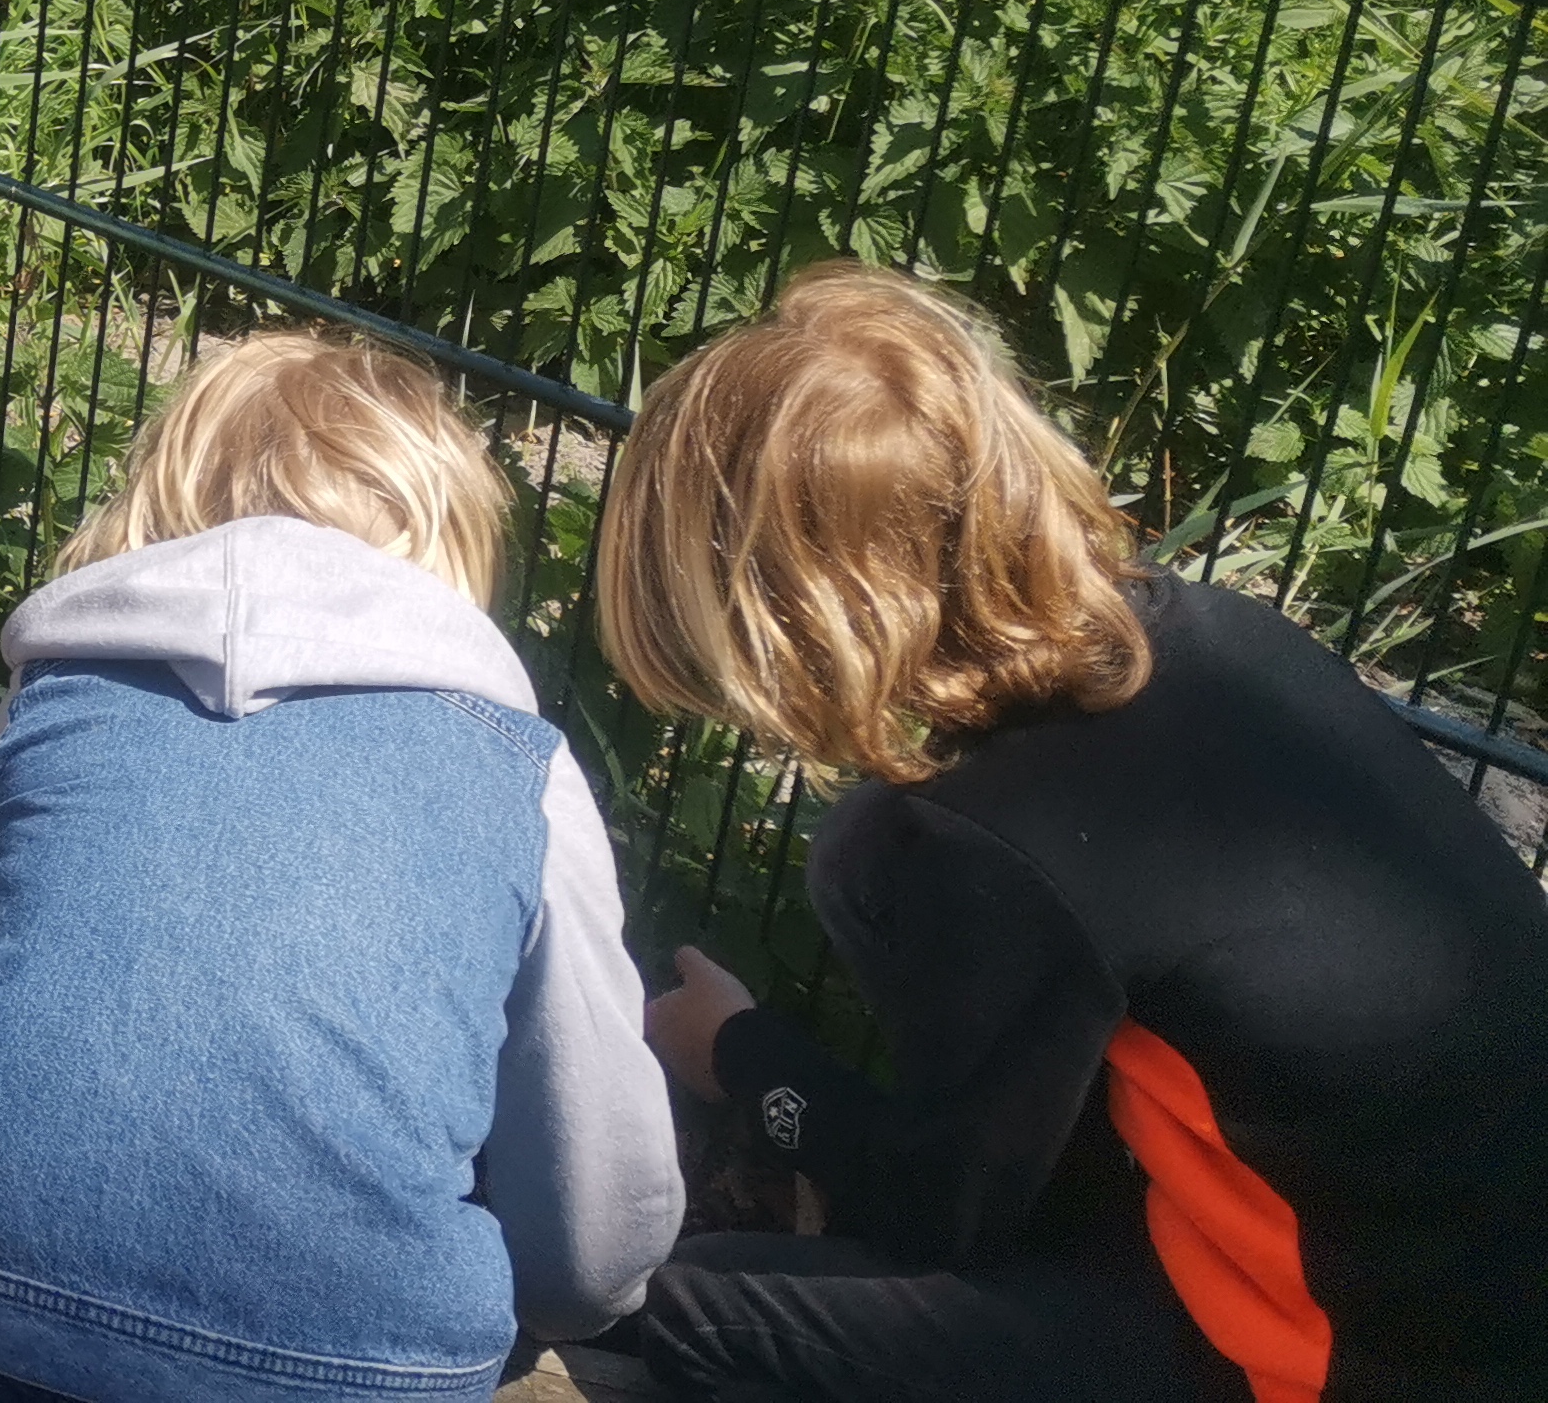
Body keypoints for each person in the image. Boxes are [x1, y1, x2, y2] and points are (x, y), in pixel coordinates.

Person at [597, 259, 1548, 1403]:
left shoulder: (983, 849)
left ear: (784, 613)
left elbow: (935, 1216)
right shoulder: (1226, 639)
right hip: (1470, 1278)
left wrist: (741, 1058)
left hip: (1356, 1363)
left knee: (690, 1305)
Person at [0, 333, 683, 1403]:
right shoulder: (523, 774)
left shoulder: (51, 696)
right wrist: (572, 1304)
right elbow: (590, 1191)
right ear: (444, 544)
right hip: (350, 1353)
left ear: (161, 508)